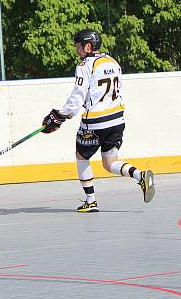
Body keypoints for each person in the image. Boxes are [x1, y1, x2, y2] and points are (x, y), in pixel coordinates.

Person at [41, 29, 155, 212]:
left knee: (82, 156)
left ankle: (91, 201)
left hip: (95, 123)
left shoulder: (85, 65)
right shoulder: (113, 61)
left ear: (88, 46)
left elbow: (78, 98)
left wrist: (60, 116)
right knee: (109, 163)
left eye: (78, 46)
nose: (77, 50)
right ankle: (140, 175)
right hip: (117, 120)